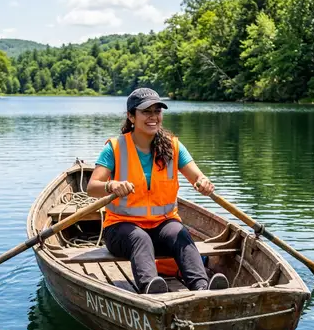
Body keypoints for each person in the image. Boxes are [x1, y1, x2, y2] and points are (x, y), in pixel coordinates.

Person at [87, 88, 229, 294]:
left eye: (157, 111)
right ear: (131, 116)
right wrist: (112, 185)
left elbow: (196, 176)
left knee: (180, 233)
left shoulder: (173, 147)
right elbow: (92, 188)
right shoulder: (115, 148)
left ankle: (202, 287)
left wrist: (203, 182)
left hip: (163, 224)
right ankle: (151, 289)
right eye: (146, 112)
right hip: (121, 228)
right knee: (140, 238)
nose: (153, 117)